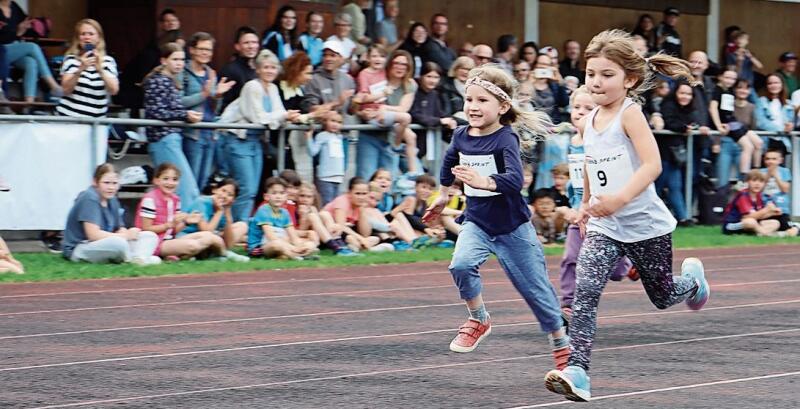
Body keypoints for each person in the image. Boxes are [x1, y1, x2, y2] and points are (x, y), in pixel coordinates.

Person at [543, 29, 709, 401]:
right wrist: (586, 204)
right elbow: (589, 162)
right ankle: (578, 372)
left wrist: (618, 199)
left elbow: (652, 166)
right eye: (590, 74)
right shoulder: (589, 121)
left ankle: (694, 283)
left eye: (607, 75)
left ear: (629, 80)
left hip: (644, 224)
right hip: (605, 225)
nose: (596, 82)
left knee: (663, 295)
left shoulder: (630, 114)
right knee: (585, 294)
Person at [423, 65, 570, 370]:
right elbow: (449, 161)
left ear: (502, 107)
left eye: (482, 100)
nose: (473, 107)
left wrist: (484, 181)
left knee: (536, 290)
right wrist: (442, 195)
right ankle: (479, 319)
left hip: (512, 227)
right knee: (461, 265)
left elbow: (515, 181)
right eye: (469, 99)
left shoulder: (506, 139)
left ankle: (561, 342)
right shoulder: (462, 134)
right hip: (477, 222)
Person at [558, 86, 634, 322]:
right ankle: (569, 304)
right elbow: (575, 179)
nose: (580, 112)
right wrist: (572, 204)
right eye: (576, 107)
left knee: (614, 273)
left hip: (604, 212)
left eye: (588, 108)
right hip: (580, 212)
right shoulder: (570, 141)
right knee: (571, 257)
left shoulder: (604, 139)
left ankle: (629, 260)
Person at [219, 49, 301, 222]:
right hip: (238, 139)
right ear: (258, 69)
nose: (270, 71)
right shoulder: (252, 86)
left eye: (273, 67)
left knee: (253, 189)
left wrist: (285, 116)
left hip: (255, 141)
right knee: (246, 187)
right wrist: (283, 116)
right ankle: (236, 225)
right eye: (266, 67)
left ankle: (240, 225)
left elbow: (279, 114)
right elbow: (258, 117)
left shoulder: (272, 88)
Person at [135, 163, 247, 262]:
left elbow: (174, 230)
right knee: (198, 243)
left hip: (170, 239)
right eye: (166, 179)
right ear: (156, 180)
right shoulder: (150, 199)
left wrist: (185, 221)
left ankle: (198, 255)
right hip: (155, 242)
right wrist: (170, 225)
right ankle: (223, 254)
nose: (170, 183)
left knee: (221, 233)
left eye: (174, 179)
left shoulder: (175, 199)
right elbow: (146, 229)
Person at [62, 163, 161, 265]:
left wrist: (129, 233)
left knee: (150, 236)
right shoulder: (89, 197)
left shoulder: (112, 199)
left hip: (106, 241)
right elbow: (93, 235)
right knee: (119, 244)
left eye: (114, 183)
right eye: (106, 183)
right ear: (95, 182)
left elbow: (119, 227)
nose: (111, 187)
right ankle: (136, 258)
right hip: (80, 247)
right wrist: (125, 236)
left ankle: (139, 259)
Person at [143, 42, 202, 207]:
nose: (179, 63)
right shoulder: (158, 81)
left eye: (182, 60)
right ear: (163, 60)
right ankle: (187, 225)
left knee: (178, 187)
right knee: (185, 188)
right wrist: (185, 115)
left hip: (171, 138)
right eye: (175, 59)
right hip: (163, 139)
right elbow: (157, 111)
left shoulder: (169, 81)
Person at [180, 32, 236, 191]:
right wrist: (203, 94)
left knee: (203, 180)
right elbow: (179, 102)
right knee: (190, 180)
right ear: (192, 50)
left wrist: (217, 96)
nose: (206, 53)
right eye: (202, 49)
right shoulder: (183, 72)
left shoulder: (212, 73)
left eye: (209, 50)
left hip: (209, 132)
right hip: (191, 133)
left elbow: (214, 108)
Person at [658, 81, 709, 225]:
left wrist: (697, 127)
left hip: (675, 155)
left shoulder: (689, 109)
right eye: (682, 93)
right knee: (657, 188)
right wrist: (684, 128)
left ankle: (683, 218)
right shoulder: (667, 105)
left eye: (688, 94)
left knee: (675, 186)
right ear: (675, 93)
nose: (685, 97)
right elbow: (669, 122)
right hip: (663, 154)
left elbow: (691, 124)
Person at [0, 0, 63, 103]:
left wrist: (28, 26)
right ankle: (52, 85)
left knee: (31, 63)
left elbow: (26, 24)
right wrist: (18, 32)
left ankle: (29, 103)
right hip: (2, 50)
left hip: (15, 48)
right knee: (32, 47)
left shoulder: (14, 7)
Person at [709, 68, 763, 182]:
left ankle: (756, 170)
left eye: (733, 78)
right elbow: (713, 108)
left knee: (759, 142)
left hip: (734, 122)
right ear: (720, 77)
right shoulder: (717, 90)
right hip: (729, 124)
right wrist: (718, 125)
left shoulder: (729, 91)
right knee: (748, 146)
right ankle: (743, 178)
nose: (730, 81)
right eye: (727, 77)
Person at [56, 18, 118, 117]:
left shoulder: (108, 61)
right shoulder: (70, 60)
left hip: (96, 123)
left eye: (91, 34)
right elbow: (66, 89)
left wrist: (100, 70)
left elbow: (114, 90)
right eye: (83, 34)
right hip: (70, 119)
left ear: (98, 38)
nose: (87, 37)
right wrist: (80, 69)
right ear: (78, 39)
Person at [247, 177, 320, 259]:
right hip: (260, 247)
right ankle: (298, 256)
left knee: (310, 244)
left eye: (281, 193)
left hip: (281, 242)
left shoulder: (285, 212)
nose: (278, 196)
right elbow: (271, 237)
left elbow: (294, 237)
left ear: (286, 196)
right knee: (277, 244)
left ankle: (287, 255)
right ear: (266, 196)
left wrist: (302, 246)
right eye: (274, 193)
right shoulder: (263, 210)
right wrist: (295, 248)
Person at [181, 177, 249, 253]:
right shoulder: (201, 202)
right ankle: (222, 250)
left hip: (210, 237)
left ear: (233, 200)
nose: (224, 196)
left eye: (230, 195)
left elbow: (229, 244)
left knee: (242, 225)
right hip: (189, 236)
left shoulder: (224, 207)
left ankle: (221, 248)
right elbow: (206, 231)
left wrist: (228, 214)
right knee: (211, 237)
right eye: (223, 190)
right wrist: (219, 212)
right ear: (215, 190)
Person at [722, 169, 797, 237]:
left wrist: (772, 213)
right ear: (747, 182)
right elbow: (747, 217)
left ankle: (761, 233)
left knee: (775, 222)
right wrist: (766, 210)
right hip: (732, 225)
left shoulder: (759, 196)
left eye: (761, 181)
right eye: (754, 180)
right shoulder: (743, 195)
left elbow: (759, 215)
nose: (757, 184)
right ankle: (769, 234)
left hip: (752, 224)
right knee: (750, 222)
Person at [321, 177, 384, 252]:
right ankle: (366, 248)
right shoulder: (342, 202)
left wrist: (362, 211)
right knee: (351, 238)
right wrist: (361, 239)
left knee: (375, 238)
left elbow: (365, 233)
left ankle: (359, 247)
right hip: (332, 232)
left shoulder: (362, 204)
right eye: (357, 193)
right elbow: (341, 227)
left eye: (364, 194)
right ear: (349, 193)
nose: (361, 197)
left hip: (348, 231)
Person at [409, 62, 458, 158]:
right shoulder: (414, 92)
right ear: (421, 76)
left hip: (428, 142)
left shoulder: (434, 94)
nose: (432, 80)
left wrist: (453, 121)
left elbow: (440, 113)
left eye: (436, 77)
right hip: (413, 141)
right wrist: (439, 121)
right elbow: (415, 115)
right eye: (429, 76)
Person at [307, 112, 347, 205]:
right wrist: (309, 137)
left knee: (336, 202)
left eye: (339, 122)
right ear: (325, 122)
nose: (335, 124)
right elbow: (313, 151)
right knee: (327, 202)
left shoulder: (339, 137)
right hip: (326, 176)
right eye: (332, 121)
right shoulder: (322, 136)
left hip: (338, 176)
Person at [219, 26, 259, 112]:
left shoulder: (260, 69)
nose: (251, 46)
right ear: (237, 46)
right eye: (246, 43)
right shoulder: (230, 70)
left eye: (254, 42)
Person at [439, 56, 475, 125]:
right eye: (462, 68)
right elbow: (446, 113)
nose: (465, 72)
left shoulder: (475, 88)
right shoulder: (446, 87)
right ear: (455, 69)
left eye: (469, 69)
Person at [761, 148, 791, 216]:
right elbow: (759, 189)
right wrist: (768, 175)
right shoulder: (761, 171)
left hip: (781, 207)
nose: (770, 161)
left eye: (774, 159)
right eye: (767, 159)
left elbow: (785, 189)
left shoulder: (785, 171)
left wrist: (775, 175)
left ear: (780, 160)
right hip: (764, 207)